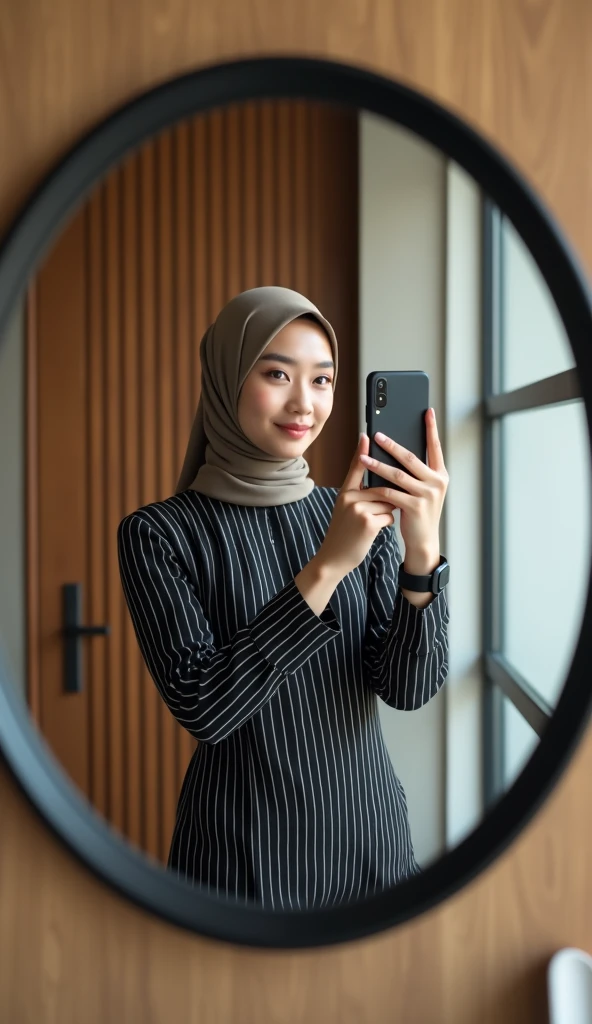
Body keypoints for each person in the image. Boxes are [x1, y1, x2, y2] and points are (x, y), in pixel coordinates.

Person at [117, 286, 450, 910]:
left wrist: (422, 551)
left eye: (322, 380)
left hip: (370, 843)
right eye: (276, 374)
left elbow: (408, 687)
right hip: (240, 857)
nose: (305, 403)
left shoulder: (352, 511)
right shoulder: (159, 534)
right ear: (226, 379)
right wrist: (327, 566)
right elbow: (207, 707)